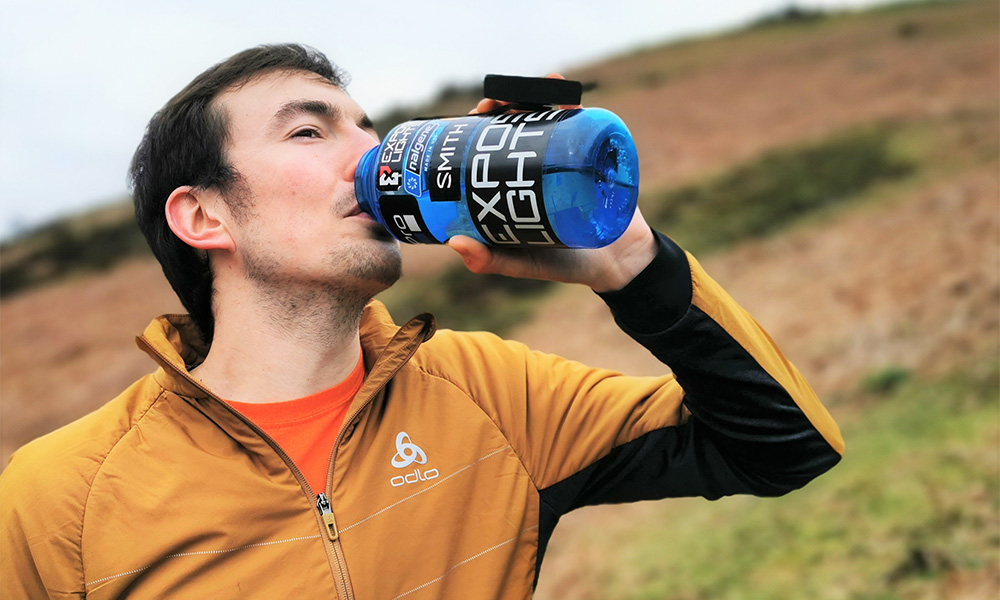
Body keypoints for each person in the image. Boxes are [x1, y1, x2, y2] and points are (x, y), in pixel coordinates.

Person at [0, 44, 843, 599]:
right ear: (205, 218)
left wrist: (632, 267)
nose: (368, 154)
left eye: (366, 127)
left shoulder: (491, 394)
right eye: (308, 130)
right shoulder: (56, 499)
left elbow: (781, 448)